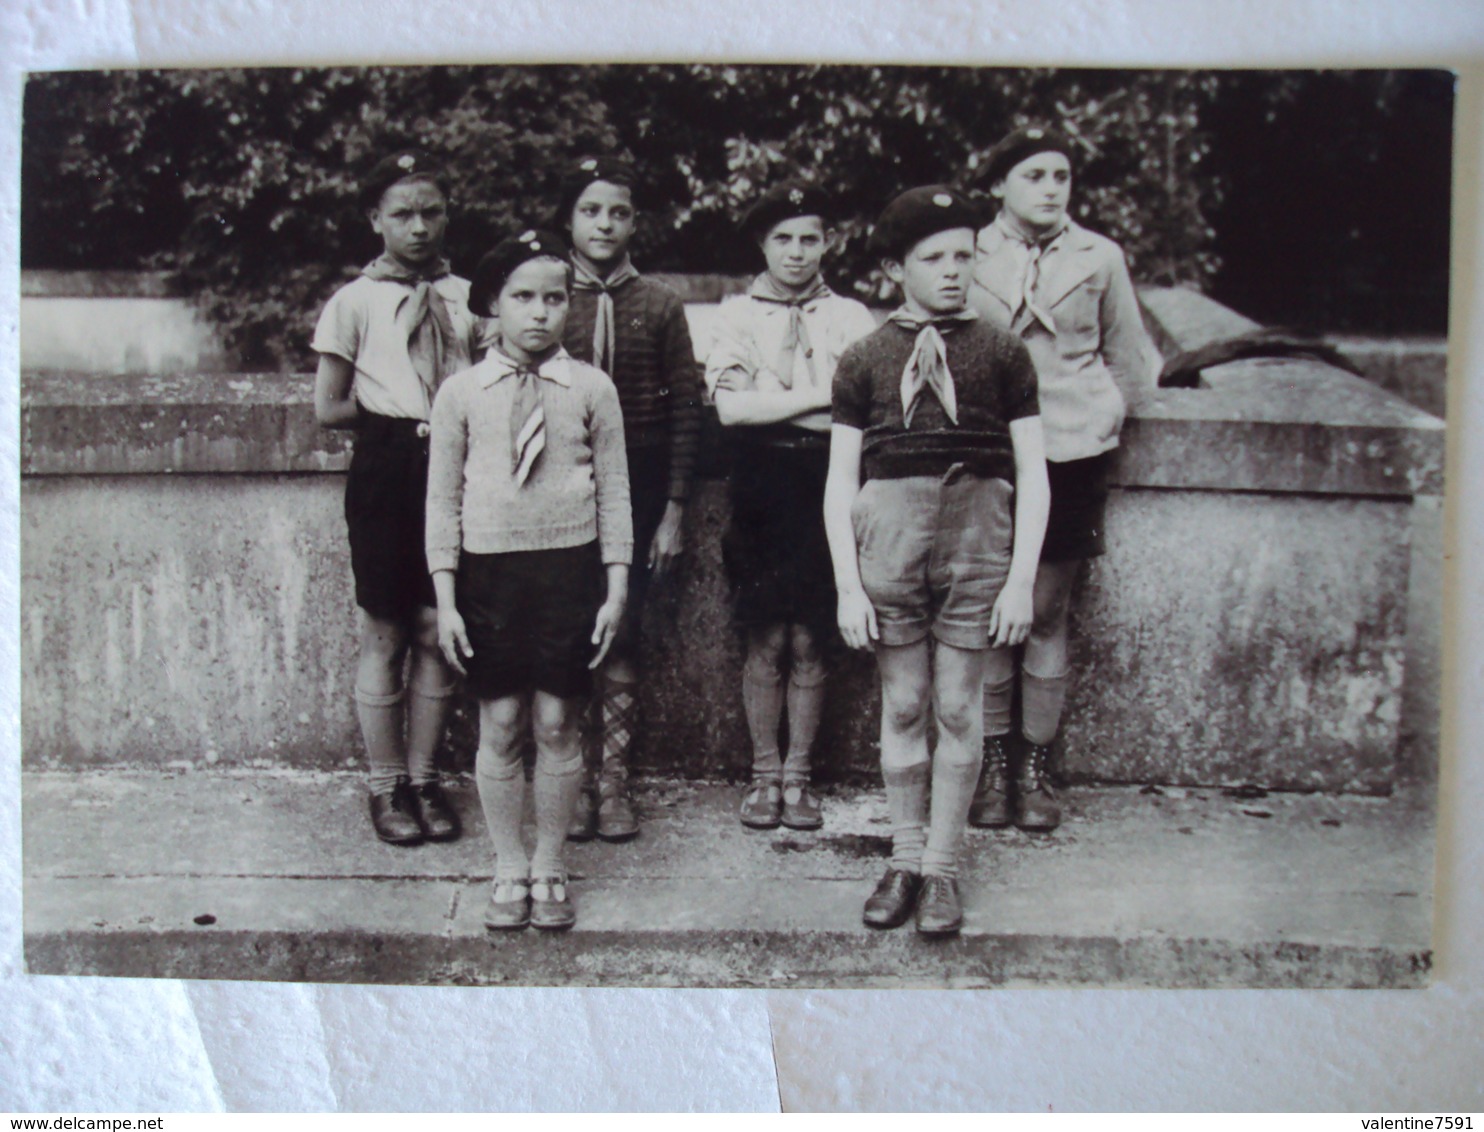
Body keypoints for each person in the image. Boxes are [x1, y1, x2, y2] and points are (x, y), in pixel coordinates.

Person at [823, 185, 1049, 936]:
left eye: (965, 256)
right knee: (906, 703)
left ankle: (945, 867)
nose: (953, 271)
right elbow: (839, 482)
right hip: (890, 537)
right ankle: (906, 856)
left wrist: (1020, 579)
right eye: (934, 257)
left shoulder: (1003, 351)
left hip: (977, 536)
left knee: (959, 706)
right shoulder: (863, 358)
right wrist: (848, 587)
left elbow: (1035, 474)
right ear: (895, 267)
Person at [426, 229, 632, 932]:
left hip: (568, 570)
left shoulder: (592, 389)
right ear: (492, 306)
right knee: (503, 720)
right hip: (489, 574)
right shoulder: (461, 393)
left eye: (555, 297)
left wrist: (616, 585)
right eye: (523, 297)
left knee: (556, 721)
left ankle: (550, 863)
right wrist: (447, 599)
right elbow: (442, 500)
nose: (540, 312)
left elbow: (615, 492)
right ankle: (507, 863)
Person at [967, 127, 1160, 832]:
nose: (1051, 188)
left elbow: (1128, 357)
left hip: (1070, 446)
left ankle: (1035, 769)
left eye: (1062, 175)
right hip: (985, 447)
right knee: (990, 610)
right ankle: (990, 765)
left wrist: (1104, 417)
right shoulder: (968, 249)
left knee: (1046, 612)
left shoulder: (1099, 257)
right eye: (1034, 175)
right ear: (999, 186)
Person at [312, 149, 485, 847]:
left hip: (459, 470)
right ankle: (384, 786)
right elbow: (328, 406)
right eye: (402, 214)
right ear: (376, 220)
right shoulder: (354, 301)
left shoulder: (471, 297)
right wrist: (401, 423)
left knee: (433, 629)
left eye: (431, 212)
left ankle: (424, 778)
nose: (418, 227)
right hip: (387, 468)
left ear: (447, 216)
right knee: (385, 630)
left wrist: (447, 424)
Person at [704, 182, 878, 831]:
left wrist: (783, 397)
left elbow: (864, 407)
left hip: (829, 478)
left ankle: (800, 777)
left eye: (810, 238)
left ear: (827, 242)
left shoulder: (853, 319)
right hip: (760, 483)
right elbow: (733, 409)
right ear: (762, 244)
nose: (798, 252)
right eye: (783, 239)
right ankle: (763, 773)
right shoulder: (735, 316)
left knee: (811, 638)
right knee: (764, 637)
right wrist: (822, 398)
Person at [554, 155, 702, 843]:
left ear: (633, 221)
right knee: (568, 629)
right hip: (562, 478)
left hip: (639, 480)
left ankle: (614, 780)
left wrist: (673, 508)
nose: (604, 224)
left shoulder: (661, 304)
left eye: (617, 212)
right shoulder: (548, 295)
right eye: (591, 210)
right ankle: (570, 777)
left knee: (623, 631)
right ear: (569, 220)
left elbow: (685, 414)